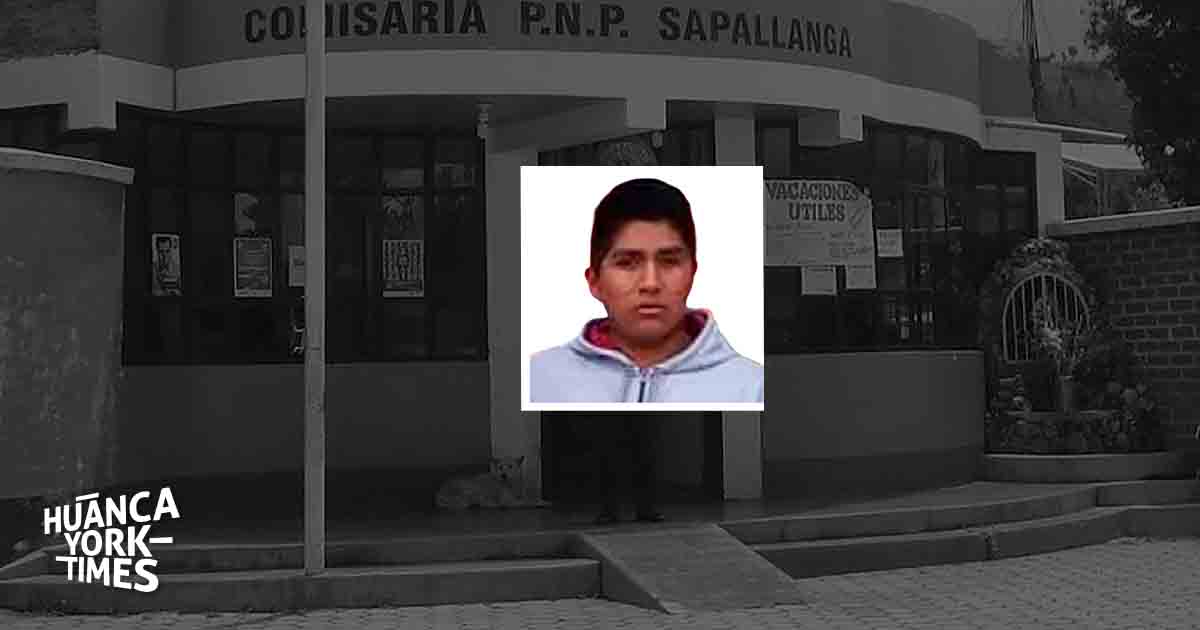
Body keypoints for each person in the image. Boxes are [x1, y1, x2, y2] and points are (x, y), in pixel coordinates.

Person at [528, 177, 764, 405]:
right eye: (627, 263)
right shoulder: (537, 379)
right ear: (594, 281)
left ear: (692, 273)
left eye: (669, 261)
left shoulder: (753, 387)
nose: (651, 283)